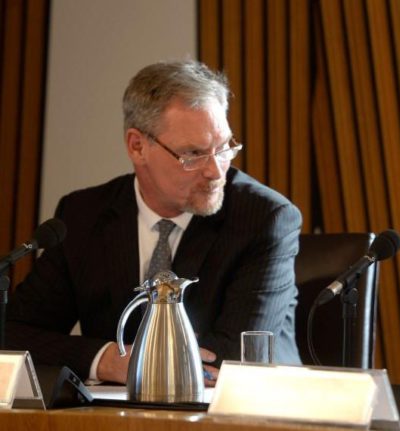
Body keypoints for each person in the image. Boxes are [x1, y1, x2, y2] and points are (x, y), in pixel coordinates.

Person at [5, 60, 302, 384]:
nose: (216, 171)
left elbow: (236, 358)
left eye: (224, 148)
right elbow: (15, 336)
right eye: (194, 154)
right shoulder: (83, 215)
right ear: (137, 146)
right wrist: (104, 359)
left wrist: (142, 363)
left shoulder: (264, 219)